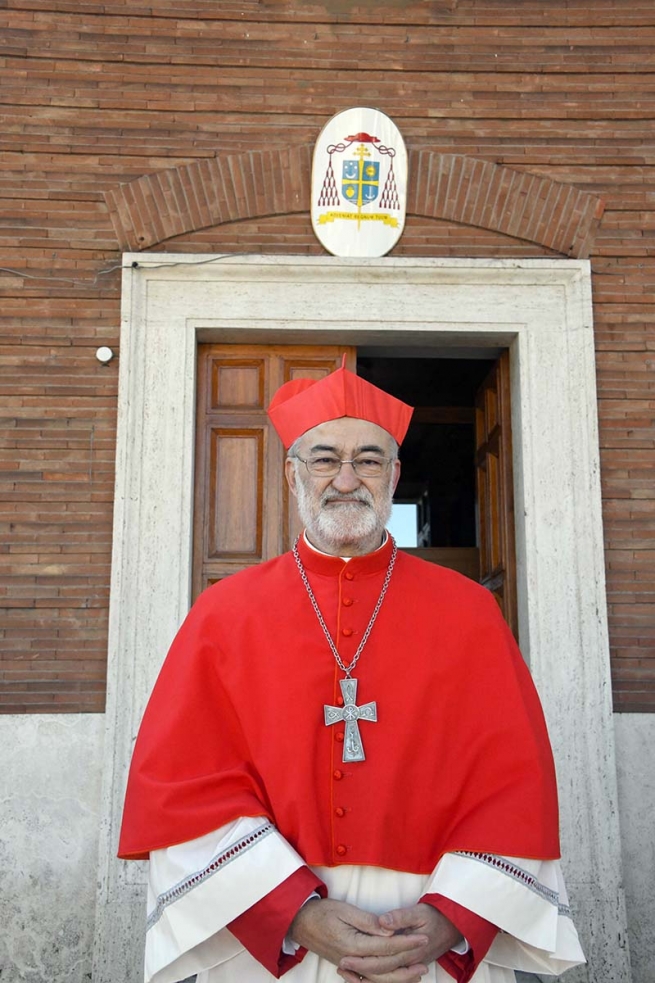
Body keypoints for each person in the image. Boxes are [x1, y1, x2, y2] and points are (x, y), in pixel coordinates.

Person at [118, 360, 585, 983]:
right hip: (274, 933)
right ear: (291, 476)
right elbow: (186, 785)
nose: (345, 479)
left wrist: (447, 920)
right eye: (322, 459)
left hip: (425, 935)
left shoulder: (469, 611)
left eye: (367, 459)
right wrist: (294, 912)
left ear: (393, 475)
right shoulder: (224, 614)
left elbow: (511, 783)